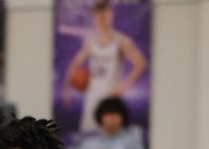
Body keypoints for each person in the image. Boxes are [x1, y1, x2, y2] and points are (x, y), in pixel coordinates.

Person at [61, 0, 149, 134]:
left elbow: (141, 64)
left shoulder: (121, 41)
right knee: (88, 140)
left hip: (110, 102)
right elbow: (74, 64)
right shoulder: (91, 43)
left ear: (111, 14)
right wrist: (66, 90)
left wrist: (122, 87)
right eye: (98, 14)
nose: (101, 18)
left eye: (104, 13)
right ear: (94, 17)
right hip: (92, 100)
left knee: (111, 143)